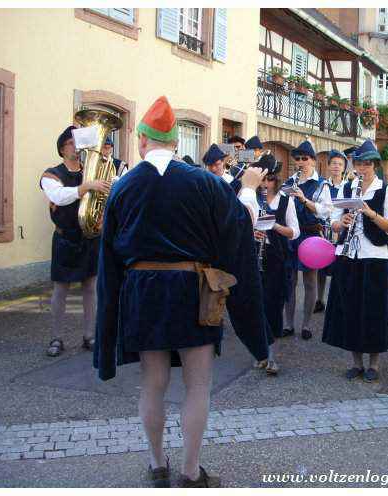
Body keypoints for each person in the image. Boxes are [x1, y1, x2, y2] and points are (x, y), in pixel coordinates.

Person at [94, 96, 269, 487]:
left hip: (143, 292)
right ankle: (191, 472)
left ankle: (158, 465)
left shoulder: (123, 187)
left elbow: (108, 257)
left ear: (141, 139)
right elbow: (240, 227)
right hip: (194, 290)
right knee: (198, 384)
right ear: (175, 142)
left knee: (152, 383)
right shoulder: (204, 182)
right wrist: (248, 189)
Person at [323, 139, 388, 382]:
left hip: (374, 257)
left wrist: (370, 212)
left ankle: (374, 364)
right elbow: (333, 221)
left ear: (374, 165)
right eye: (359, 164)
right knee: (350, 309)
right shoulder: (347, 188)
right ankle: (356, 362)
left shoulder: (385, 190)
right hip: (348, 256)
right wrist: (340, 223)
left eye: (367, 164)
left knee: (373, 311)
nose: (362, 169)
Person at [39, 126, 111, 357]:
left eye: (78, 144)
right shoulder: (52, 174)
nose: (77, 148)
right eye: (72, 143)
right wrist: (86, 186)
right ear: (62, 148)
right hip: (66, 238)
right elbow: (59, 196)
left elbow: (104, 194)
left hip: (89, 237)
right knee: (60, 288)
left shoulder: (90, 172)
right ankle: (56, 337)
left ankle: (89, 336)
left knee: (91, 288)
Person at [253, 154, 300, 375]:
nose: (265, 184)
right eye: (262, 179)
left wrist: (274, 226)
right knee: (256, 307)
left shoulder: (285, 200)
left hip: (276, 259)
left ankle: (271, 355)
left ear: (276, 180)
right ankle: (260, 352)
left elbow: (294, 232)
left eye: (269, 179)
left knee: (273, 305)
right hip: (255, 258)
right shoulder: (251, 199)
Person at [282, 140, 333, 340]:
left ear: (313, 161)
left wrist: (304, 200)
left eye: (305, 158)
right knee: (290, 280)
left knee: (310, 281)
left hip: (311, 234)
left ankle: (307, 324)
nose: (301, 162)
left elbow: (326, 211)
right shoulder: (288, 182)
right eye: (298, 159)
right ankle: (288, 323)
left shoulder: (322, 185)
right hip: (292, 234)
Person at [314, 149, 347, 314]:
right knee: (322, 267)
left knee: (339, 267)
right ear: (328, 166)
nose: (336, 166)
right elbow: (316, 207)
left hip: (341, 230)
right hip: (325, 230)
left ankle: (336, 300)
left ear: (344, 168)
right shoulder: (323, 185)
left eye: (340, 164)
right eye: (333, 163)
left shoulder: (348, 186)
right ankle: (320, 299)